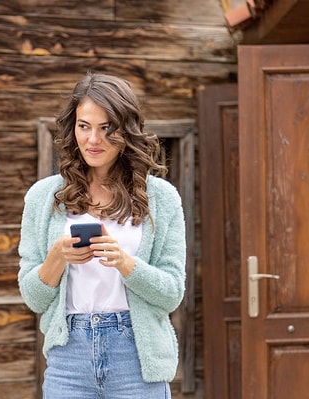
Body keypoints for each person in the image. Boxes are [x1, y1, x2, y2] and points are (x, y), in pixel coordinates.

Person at [18, 72, 186, 399]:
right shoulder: (43, 197)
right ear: (73, 129)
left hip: (136, 356)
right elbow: (34, 298)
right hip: (69, 356)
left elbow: (172, 293)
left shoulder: (161, 198)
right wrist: (57, 258)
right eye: (84, 126)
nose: (93, 139)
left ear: (126, 130)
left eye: (106, 127)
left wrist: (126, 263)